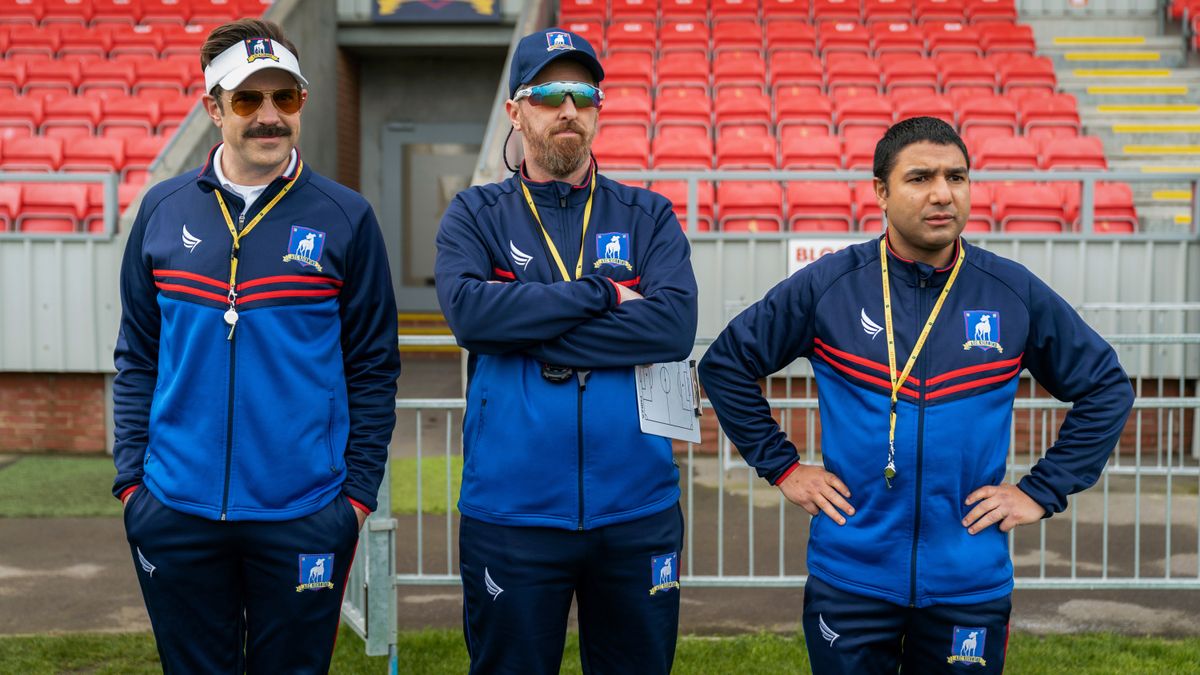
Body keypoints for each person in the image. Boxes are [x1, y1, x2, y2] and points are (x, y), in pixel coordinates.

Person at [698, 117, 1134, 674]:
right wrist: (783, 467)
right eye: (920, 178)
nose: (942, 194)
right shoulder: (831, 285)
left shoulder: (1011, 291)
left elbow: (1105, 388)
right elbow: (726, 363)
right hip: (851, 575)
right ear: (880, 191)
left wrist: (1041, 490)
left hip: (968, 580)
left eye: (957, 177)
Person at [111, 18, 401, 673]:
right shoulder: (163, 211)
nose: (269, 116)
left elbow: (374, 367)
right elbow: (137, 355)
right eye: (247, 100)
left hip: (304, 512)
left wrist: (352, 501)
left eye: (285, 98)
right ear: (213, 107)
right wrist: (133, 484)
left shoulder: (346, 218)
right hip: (174, 511)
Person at [434, 28, 698, 675]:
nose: (569, 110)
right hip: (512, 512)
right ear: (516, 110)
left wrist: (521, 315)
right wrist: (603, 293)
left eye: (584, 95)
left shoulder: (648, 215)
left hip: (637, 510)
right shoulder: (475, 214)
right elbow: (472, 315)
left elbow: (671, 328)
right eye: (550, 93)